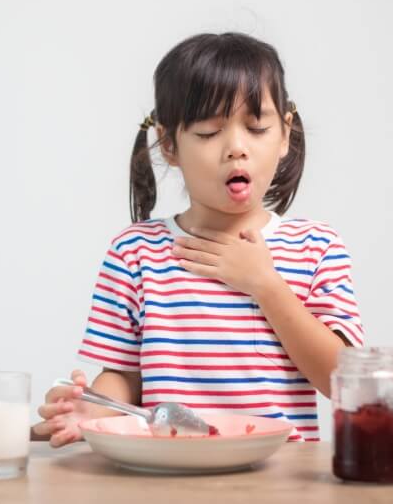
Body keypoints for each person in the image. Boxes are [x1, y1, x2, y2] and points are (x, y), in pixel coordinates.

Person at [32, 32, 363, 446]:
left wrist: (266, 285)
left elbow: (344, 382)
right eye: (209, 133)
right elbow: (125, 376)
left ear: (284, 135)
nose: (236, 148)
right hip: (167, 475)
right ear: (170, 145)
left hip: (280, 480)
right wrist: (94, 408)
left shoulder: (317, 248)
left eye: (257, 127)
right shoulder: (135, 253)